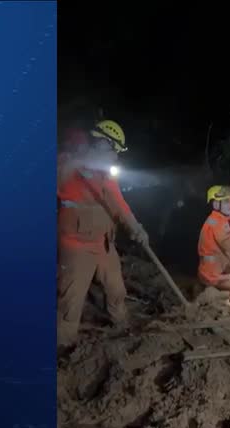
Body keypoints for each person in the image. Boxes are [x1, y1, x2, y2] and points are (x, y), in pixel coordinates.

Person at [57, 119, 148, 342]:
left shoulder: (106, 174)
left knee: (116, 290)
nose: (116, 157)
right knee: (71, 302)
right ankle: (62, 346)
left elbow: (119, 204)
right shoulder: (68, 163)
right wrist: (80, 162)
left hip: (104, 244)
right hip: (77, 247)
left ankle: (123, 326)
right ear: (101, 144)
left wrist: (136, 227)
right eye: (113, 151)